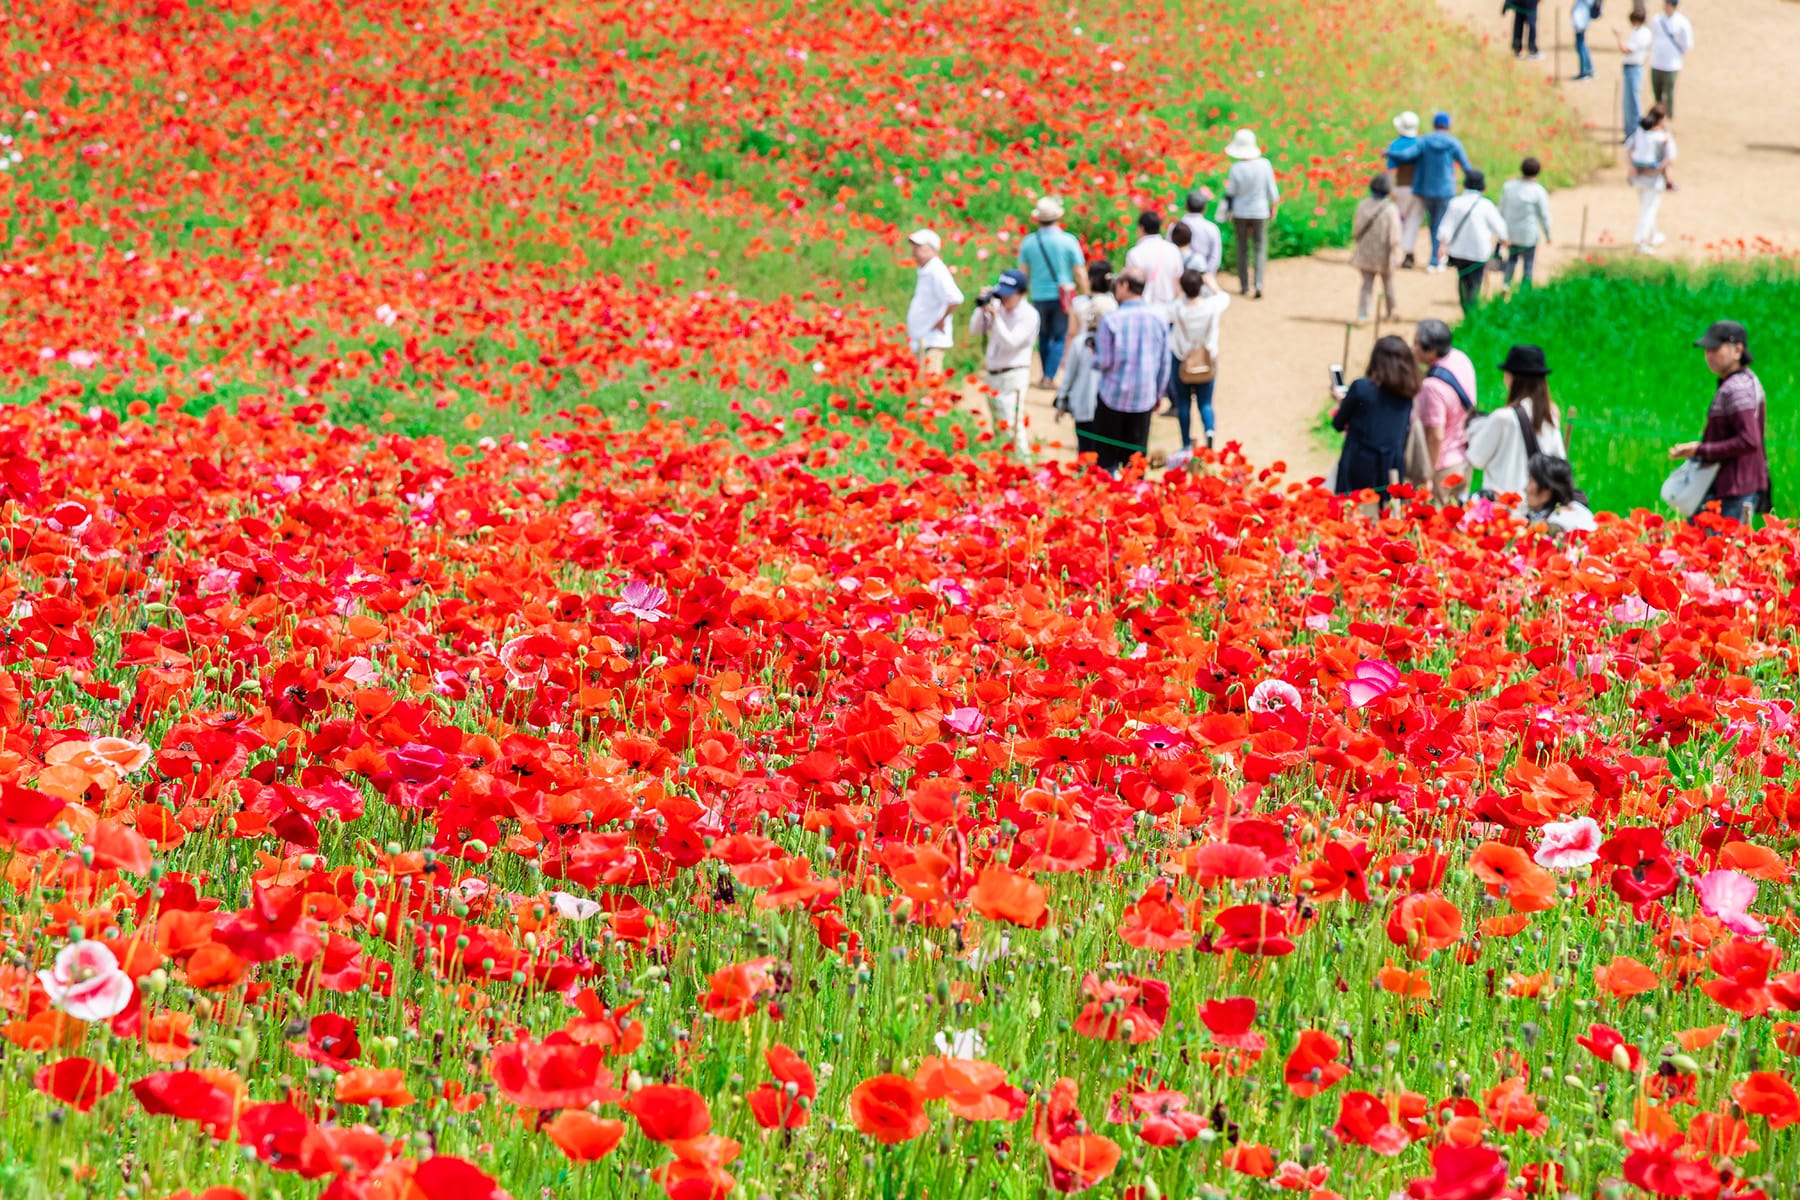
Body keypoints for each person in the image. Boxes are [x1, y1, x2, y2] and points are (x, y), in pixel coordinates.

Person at [1668, 321, 1769, 524]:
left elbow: (1749, 440)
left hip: (1733, 490)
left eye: (1715, 349)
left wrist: (1700, 450)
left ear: (1738, 350)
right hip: (1738, 485)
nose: (1709, 355)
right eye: (1707, 350)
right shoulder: (1745, 380)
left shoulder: (1737, 388)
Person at [1092, 268, 1170, 473]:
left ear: (1125, 286)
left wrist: (1093, 354)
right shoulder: (1159, 318)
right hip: (1143, 398)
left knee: (1106, 462)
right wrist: (1158, 393)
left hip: (1112, 397)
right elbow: (1164, 362)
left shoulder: (1111, 320)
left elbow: (1105, 362)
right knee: (1135, 463)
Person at [1466, 345, 1568, 496]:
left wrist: (1474, 430)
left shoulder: (1503, 417)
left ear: (1511, 377)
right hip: (1535, 504)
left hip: (1504, 506)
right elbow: (1559, 457)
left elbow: (1476, 458)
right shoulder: (1550, 413)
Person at [1331, 335, 1421, 501]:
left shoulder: (1361, 388)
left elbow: (1338, 424)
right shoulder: (1408, 392)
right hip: (1390, 467)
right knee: (1385, 517)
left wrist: (1341, 401)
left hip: (1358, 465)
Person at [967, 269, 1041, 459]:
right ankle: (1004, 462)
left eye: (1009, 295)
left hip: (1013, 375)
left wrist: (996, 317)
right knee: (998, 425)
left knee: (1012, 424)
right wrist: (982, 307)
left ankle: (1023, 463)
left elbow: (1011, 343)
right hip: (992, 373)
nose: (1004, 299)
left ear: (1022, 293)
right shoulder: (998, 307)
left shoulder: (1029, 314)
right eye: (1002, 294)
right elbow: (974, 329)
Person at [1390, 112, 1475, 272]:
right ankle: (1437, 259)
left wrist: (1390, 153)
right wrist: (1475, 182)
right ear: (1448, 125)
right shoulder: (1453, 143)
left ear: (1434, 124)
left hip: (1426, 190)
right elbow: (1465, 165)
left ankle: (1434, 260)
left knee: (1433, 224)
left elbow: (1407, 156)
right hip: (1446, 190)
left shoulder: (1425, 141)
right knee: (1442, 223)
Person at [1017, 197, 1084, 388]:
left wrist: (1021, 297)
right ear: (1058, 217)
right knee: (1060, 335)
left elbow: (1023, 273)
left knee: (1044, 336)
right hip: (1063, 297)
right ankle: (1049, 376)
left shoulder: (1029, 242)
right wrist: (1087, 293)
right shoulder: (1068, 241)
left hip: (1038, 295)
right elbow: (1079, 271)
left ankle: (1045, 374)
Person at [1413, 319, 1478, 503]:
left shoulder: (1432, 387)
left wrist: (1427, 473)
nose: (1414, 347)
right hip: (1464, 457)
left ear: (1431, 351)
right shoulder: (1460, 358)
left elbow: (1436, 435)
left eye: (1417, 343)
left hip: (1443, 467)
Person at [1061, 260, 1119, 459]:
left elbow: (1071, 332)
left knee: (1084, 425)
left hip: (1082, 359)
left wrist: (1066, 359)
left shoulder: (1079, 304)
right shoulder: (1115, 304)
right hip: (1108, 363)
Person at [1167, 268, 1230, 452]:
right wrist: (1212, 284)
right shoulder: (1211, 307)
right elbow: (1224, 298)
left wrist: (1178, 292)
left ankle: (1186, 443)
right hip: (1207, 360)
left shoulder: (1178, 310)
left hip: (1182, 360)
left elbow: (1170, 309)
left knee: (1184, 404)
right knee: (1206, 403)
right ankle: (1209, 432)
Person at [1440, 169, 1508, 314]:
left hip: (1458, 252)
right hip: (1479, 252)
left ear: (1464, 185)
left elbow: (1446, 227)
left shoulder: (1455, 203)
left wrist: (1443, 245)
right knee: (1475, 282)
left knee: (1462, 279)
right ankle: (1471, 309)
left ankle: (1466, 307)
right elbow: (1499, 227)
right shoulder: (1486, 205)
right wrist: (1504, 240)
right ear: (1483, 187)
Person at [1222, 129, 1279, 299]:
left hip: (1240, 212)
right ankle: (1259, 283)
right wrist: (1273, 207)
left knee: (1242, 247)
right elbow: (1272, 192)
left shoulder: (1236, 168)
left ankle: (1244, 285)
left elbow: (1230, 192)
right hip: (1260, 211)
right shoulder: (1264, 165)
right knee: (1260, 246)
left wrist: (1228, 212)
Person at [905, 229, 963, 375]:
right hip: (924, 336)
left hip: (933, 338)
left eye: (919, 247)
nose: (914, 251)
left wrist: (942, 319)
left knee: (930, 379)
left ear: (931, 249)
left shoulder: (936, 269)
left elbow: (955, 298)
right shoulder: (927, 269)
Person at [1349, 173, 1403, 324]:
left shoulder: (1363, 205)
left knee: (1366, 285)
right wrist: (1397, 252)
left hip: (1366, 251)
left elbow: (1356, 229)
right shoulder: (1391, 209)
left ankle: (1362, 315)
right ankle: (1391, 311)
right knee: (1388, 283)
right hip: (1385, 253)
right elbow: (1395, 234)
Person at [1626, 105, 1676, 254]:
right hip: (1653, 180)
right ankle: (1641, 241)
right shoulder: (1662, 137)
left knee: (1647, 208)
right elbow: (1671, 157)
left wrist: (1632, 167)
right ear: (1661, 120)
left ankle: (1653, 236)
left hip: (1638, 177)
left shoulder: (1640, 133)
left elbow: (1627, 149)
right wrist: (1660, 169)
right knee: (1649, 210)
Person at [1499, 158, 1552, 289]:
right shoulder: (1538, 191)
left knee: (1511, 261)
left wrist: (1500, 233)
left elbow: (1501, 210)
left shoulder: (1509, 186)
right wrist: (1548, 234)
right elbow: (1544, 215)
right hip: (1529, 234)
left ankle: (1505, 285)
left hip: (1511, 234)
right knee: (1528, 264)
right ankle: (1525, 291)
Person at [1124, 210, 1185, 321]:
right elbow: (1179, 282)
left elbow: (1132, 286)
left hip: (1144, 312)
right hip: (1169, 312)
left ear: (1141, 228)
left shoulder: (1135, 253)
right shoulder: (1173, 250)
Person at [1386, 112, 1426, 269]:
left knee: (1399, 220)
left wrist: (1390, 188)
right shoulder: (1421, 144)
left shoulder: (1395, 145)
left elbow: (1391, 170)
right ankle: (1408, 252)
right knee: (1414, 220)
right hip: (1419, 188)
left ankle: (1398, 252)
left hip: (1401, 187)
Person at [1522, 454, 1598, 532]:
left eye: (1531, 481)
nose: (1525, 488)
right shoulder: (1578, 507)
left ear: (1547, 490)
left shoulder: (1556, 526)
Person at [1649, 0, 1694, 118]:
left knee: (1668, 94)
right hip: (1657, 62)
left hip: (1672, 64)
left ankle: (1667, 119)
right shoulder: (1657, 19)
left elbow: (1687, 44)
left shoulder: (1682, 22)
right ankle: (1657, 118)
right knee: (1657, 93)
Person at [1615, 10, 1652, 140]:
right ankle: (1630, 133)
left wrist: (1618, 37)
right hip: (1632, 68)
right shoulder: (1639, 32)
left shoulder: (1641, 34)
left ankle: (1637, 133)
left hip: (1634, 68)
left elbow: (1626, 50)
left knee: (1633, 102)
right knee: (1628, 103)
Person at [1180, 189, 1224, 277]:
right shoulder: (1212, 229)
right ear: (1205, 208)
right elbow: (1215, 257)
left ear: (1186, 206)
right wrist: (1207, 276)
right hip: (1203, 277)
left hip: (1180, 277)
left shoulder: (1175, 227)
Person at [1571, 1, 1596, 81]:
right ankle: (1589, 69)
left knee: (1580, 47)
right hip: (1582, 21)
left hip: (1580, 22)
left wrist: (1577, 23)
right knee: (1582, 46)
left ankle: (1583, 72)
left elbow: (1580, 9)